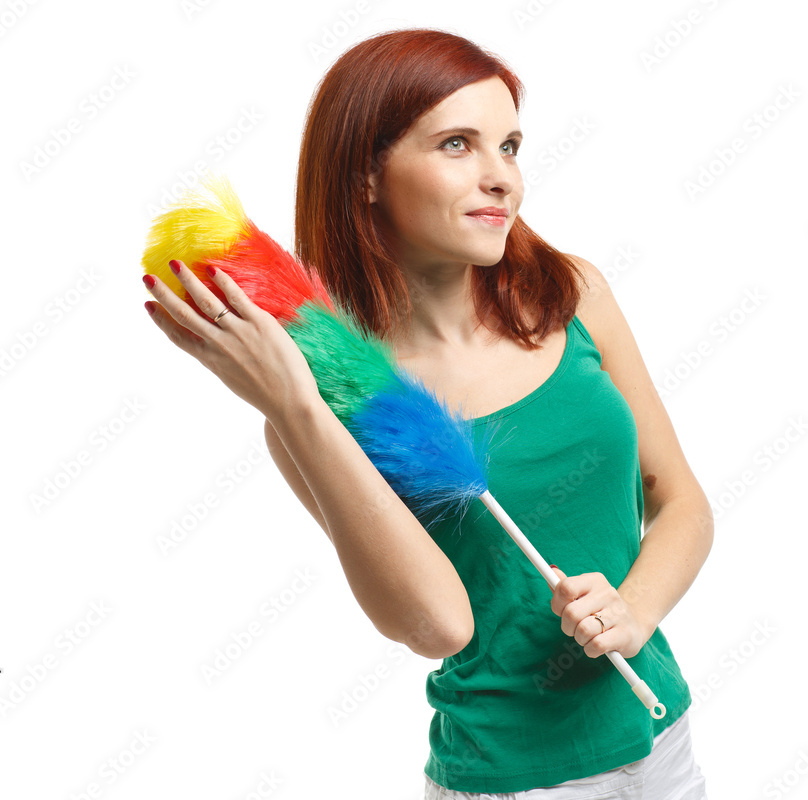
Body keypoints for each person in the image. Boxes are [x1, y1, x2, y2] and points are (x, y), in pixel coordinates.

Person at [141, 27, 713, 799]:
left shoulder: (572, 294)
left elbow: (680, 500)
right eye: (456, 145)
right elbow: (438, 626)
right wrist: (297, 409)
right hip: (509, 779)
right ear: (367, 175)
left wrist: (634, 611)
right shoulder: (326, 411)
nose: (500, 177)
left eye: (509, 146)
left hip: (664, 743)